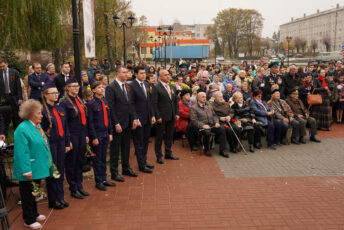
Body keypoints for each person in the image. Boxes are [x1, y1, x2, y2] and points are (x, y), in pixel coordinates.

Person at [13, 99, 53, 229]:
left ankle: (34, 213)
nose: (42, 115)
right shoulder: (22, 129)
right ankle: (28, 219)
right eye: (39, 113)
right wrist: (26, 170)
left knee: (35, 192)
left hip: (37, 166)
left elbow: (43, 144)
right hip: (28, 168)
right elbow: (22, 151)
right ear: (30, 114)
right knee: (27, 194)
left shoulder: (37, 126)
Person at [41, 83, 71, 209]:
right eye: (53, 93)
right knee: (53, 171)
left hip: (61, 143)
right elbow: (41, 130)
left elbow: (65, 127)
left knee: (60, 169)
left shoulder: (59, 109)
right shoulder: (42, 110)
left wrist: (67, 142)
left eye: (57, 93)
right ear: (45, 95)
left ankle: (60, 196)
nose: (56, 95)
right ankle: (53, 200)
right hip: (51, 144)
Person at [105, 66, 138, 182]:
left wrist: (134, 118)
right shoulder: (111, 87)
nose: (126, 74)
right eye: (124, 72)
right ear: (118, 73)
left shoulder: (127, 86)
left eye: (127, 72)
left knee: (126, 147)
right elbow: (111, 107)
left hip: (128, 121)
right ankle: (114, 172)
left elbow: (131, 104)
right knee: (115, 149)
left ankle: (126, 168)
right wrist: (116, 123)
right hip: (118, 123)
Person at [60, 78, 90, 199]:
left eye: (77, 86)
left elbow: (84, 119)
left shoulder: (79, 100)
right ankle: (73, 187)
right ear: (67, 88)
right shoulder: (64, 103)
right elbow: (64, 123)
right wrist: (68, 140)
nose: (76, 88)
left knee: (79, 161)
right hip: (72, 134)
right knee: (71, 162)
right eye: (73, 86)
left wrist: (86, 134)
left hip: (81, 134)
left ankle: (79, 185)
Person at [86, 81, 115, 190]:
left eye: (102, 87)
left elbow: (108, 118)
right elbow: (91, 122)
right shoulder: (91, 104)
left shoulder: (104, 101)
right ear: (93, 90)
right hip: (97, 135)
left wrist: (110, 132)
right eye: (99, 87)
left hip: (105, 133)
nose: (102, 89)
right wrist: (94, 137)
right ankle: (98, 181)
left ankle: (104, 178)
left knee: (103, 158)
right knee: (97, 159)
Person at [129, 66, 156, 173]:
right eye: (141, 73)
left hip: (147, 118)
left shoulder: (146, 84)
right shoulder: (131, 85)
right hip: (138, 119)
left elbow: (149, 101)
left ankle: (144, 161)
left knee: (145, 141)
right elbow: (131, 104)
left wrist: (152, 115)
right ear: (135, 74)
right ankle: (141, 164)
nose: (143, 75)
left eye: (144, 73)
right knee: (139, 142)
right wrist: (135, 118)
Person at [151, 69, 180, 164]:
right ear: (160, 77)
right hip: (161, 117)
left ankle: (168, 153)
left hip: (171, 116)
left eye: (168, 74)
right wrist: (157, 116)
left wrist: (176, 113)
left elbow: (175, 101)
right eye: (165, 75)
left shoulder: (172, 86)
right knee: (159, 137)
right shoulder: (156, 87)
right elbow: (154, 103)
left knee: (169, 136)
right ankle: (159, 156)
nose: (168, 76)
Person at [190, 92, 228, 157]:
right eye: (202, 97)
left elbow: (214, 116)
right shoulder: (194, 108)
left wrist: (216, 122)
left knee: (222, 129)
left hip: (211, 125)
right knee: (207, 133)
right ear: (198, 98)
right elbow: (194, 121)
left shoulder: (209, 106)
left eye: (205, 97)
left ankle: (222, 150)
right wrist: (203, 125)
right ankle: (206, 149)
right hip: (201, 127)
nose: (205, 98)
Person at [0, 58, 23, 134]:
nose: (2, 68)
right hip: (4, 97)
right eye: (0, 67)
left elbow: (18, 86)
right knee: (5, 115)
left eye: (3, 66)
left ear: (6, 64)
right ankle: (4, 132)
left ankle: (17, 130)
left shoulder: (14, 72)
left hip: (14, 96)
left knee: (16, 114)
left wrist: (20, 98)